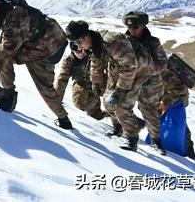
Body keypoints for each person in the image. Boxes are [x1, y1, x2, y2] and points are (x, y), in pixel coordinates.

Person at [0, 0, 72, 129]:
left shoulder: (16, 16)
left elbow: (8, 46)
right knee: (1, 55)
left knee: (44, 88)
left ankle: (64, 119)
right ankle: (9, 93)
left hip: (49, 48)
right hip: (34, 43)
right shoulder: (6, 9)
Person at [66, 20, 153, 151]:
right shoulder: (94, 43)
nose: (79, 47)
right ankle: (118, 127)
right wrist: (96, 82)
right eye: (75, 44)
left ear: (86, 37)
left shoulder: (112, 42)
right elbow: (96, 61)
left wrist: (121, 90)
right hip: (118, 67)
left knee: (121, 105)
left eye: (78, 42)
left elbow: (130, 66)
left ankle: (132, 139)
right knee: (107, 101)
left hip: (139, 69)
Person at [123, 11, 167, 154]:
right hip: (129, 81)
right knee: (121, 106)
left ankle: (156, 141)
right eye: (129, 27)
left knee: (149, 111)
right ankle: (130, 137)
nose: (131, 30)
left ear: (143, 26)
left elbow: (162, 63)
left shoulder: (153, 43)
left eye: (135, 27)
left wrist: (147, 71)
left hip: (150, 84)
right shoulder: (124, 41)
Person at [55, 42, 107, 120]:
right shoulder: (69, 60)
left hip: (99, 81)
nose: (81, 53)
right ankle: (98, 112)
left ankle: (117, 121)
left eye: (82, 50)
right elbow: (62, 79)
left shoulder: (94, 55)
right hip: (82, 83)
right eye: (77, 51)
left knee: (111, 99)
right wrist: (57, 100)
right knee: (80, 103)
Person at [161, 59, 195, 159]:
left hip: (175, 101)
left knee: (177, 123)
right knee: (179, 123)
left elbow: (174, 93)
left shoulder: (168, 75)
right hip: (176, 101)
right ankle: (188, 147)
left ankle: (188, 147)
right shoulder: (170, 71)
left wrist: (164, 104)